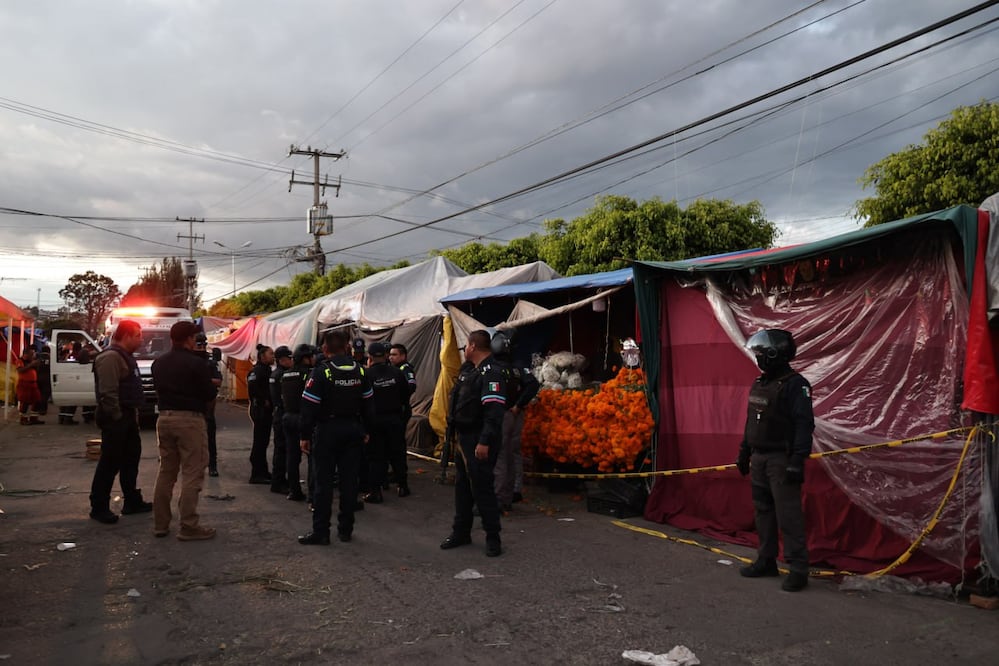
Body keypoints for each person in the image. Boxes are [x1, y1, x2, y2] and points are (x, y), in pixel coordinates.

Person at [735, 328, 815, 592]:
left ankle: (798, 568)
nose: (758, 358)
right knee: (763, 513)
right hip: (759, 458)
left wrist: (797, 461)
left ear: (773, 353)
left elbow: (805, 425)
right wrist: (744, 451)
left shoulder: (796, 385)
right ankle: (766, 559)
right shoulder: (761, 383)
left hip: (781, 460)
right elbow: (751, 422)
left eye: (760, 353)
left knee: (788, 515)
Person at [297, 330, 374, 546]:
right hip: (353, 430)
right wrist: (366, 430)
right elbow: (369, 406)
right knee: (350, 482)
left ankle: (321, 532)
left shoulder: (321, 372)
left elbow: (308, 407)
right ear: (347, 347)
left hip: (327, 431)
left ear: (324, 349)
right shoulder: (361, 371)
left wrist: (304, 434)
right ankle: (345, 530)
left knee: (323, 483)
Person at [440, 329, 507, 557]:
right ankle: (461, 532)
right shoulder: (470, 371)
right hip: (464, 437)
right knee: (463, 488)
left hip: (479, 438)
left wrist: (484, 441)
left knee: (482, 489)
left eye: (466, 346)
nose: (465, 350)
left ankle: (493, 537)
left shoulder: (492, 372)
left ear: (473, 347)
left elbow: (494, 412)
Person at [151, 321, 218, 541]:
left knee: (166, 471)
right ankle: (189, 525)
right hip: (190, 419)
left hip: (164, 418)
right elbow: (209, 393)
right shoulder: (196, 364)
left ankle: (160, 524)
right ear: (190, 339)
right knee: (192, 472)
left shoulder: (158, 363)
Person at [89, 320, 150, 524]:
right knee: (110, 462)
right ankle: (99, 507)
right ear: (125, 336)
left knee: (130, 460)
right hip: (116, 418)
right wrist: (117, 417)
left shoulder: (126, 357)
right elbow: (108, 392)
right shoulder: (110, 357)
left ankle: (132, 501)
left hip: (127, 417)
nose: (141, 340)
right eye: (138, 335)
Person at [491, 331, 540, 511]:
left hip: (504, 415)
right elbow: (533, 384)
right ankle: (514, 490)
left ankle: (502, 495)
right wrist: (519, 405)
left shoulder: (496, 369)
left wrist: (517, 405)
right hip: (515, 414)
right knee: (513, 453)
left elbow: (532, 385)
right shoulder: (517, 368)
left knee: (502, 455)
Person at [362, 342, 410, 503]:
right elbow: (406, 395)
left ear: (370, 357)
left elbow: (363, 400)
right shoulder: (397, 372)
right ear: (385, 355)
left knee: (376, 456)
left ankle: (376, 491)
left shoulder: (366, 375)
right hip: (395, 418)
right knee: (397, 452)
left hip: (375, 420)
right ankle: (402, 485)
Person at [281, 343, 315, 502]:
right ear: (306, 359)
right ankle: (313, 495)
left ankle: (294, 491)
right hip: (304, 418)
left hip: (288, 417)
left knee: (292, 457)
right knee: (312, 457)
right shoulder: (308, 374)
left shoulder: (286, 374)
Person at [194, 332, 223, 477]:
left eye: (205, 344)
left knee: (210, 438)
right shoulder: (189, 360)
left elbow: (218, 381)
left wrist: (203, 379)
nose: (202, 347)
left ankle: (212, 465)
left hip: (208, 405)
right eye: (199, 345)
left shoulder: (210, 362)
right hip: (191, 406)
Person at [247, 344, 275, 484]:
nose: (273, 356)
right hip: (260, 410)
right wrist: (263, 400)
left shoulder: (266, 370)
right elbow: (252, 387)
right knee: (259, 442)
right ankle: (256, 473)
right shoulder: (257, 371)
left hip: (265, 411)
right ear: (262, 356)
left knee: (263, 442)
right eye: (271, 354)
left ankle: (263, 471)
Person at [269, 345, 294, 495]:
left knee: (280, 449)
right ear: (282, 360)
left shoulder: (275, 374)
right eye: (289, 358)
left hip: (278, 413)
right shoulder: (281, 375)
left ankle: (278, 480)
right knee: (282, 449)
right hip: (282, 413)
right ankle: (278, 482)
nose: (291, 361)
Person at [15, 346, 43, 425]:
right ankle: (23, 419)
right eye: (31, 354)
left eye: (33, 354)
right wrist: (31, 364)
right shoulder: (20, 361)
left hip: (33, 384)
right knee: (25, 402)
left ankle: (34, 418)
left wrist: (36, 365)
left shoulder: (32, 361)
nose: (33, 356)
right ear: (26, 354)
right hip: (24, 384)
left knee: (37, 401)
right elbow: (20, 370)